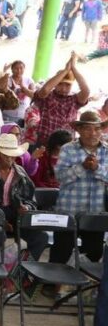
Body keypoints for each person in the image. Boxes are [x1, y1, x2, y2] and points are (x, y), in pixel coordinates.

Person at [50, 111, 108, 268]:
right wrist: (82, 167)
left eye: (97, 129)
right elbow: (60, 177)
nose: (93, 133)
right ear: (80, 130)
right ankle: (51, 285)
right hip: (69, 211)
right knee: (60, 251)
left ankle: (83, 287)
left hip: (96, 213)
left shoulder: (106, 150)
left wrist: (97, 168)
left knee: (94, 253)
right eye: (88, 129)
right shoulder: (68, 149)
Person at [0, 133, 47, 263]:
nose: (9, 159)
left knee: (41, 237)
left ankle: (22, 272)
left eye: (12, 156)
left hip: (15, 216)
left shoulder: (20, 173)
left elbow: (31, 200)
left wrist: (26, 207)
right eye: (6, 155)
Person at [31, 55, 90, 145]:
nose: (63, 88)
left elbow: (86, 91)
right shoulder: (47, 96)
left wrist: (73, 68)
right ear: (55, 84)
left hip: (67, 145)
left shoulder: (74, 99)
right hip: (45, 143)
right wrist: (66, 70)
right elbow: (46, 89)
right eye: (60, 84)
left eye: (67, 85)